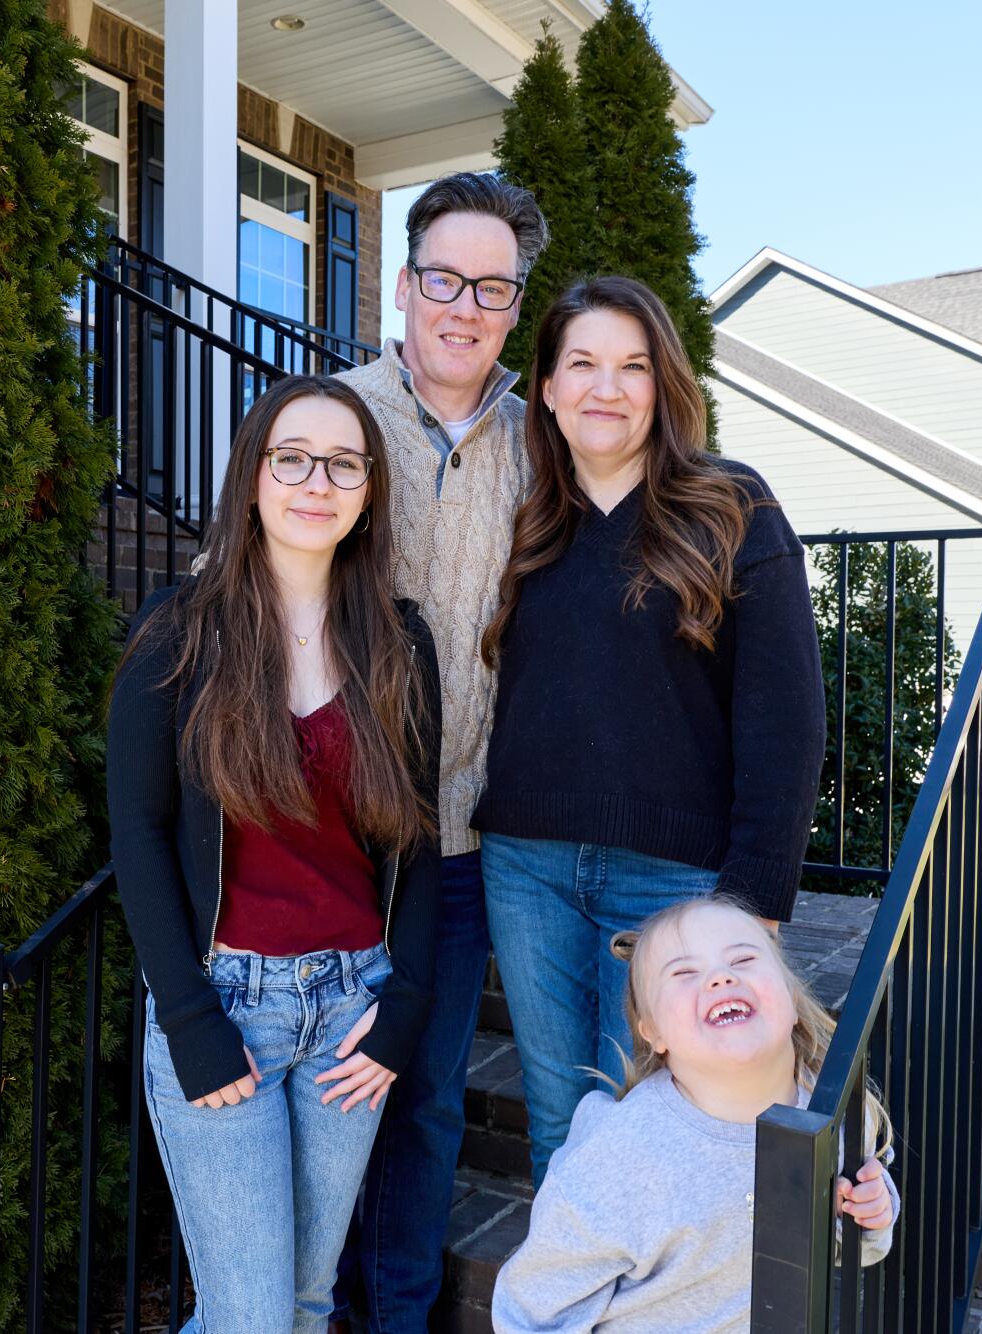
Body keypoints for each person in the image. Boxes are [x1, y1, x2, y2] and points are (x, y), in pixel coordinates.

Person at [107, 374, 443, 1332]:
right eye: (292, 457)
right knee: (249, 1315)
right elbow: (135, 830)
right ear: (253, 476)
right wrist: (189, 1016)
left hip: (350, 1011)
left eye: (344, 463)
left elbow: (416, 836)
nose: (317, 481)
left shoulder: (397, 642)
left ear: (370, 492)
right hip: (226, 1005)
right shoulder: (178, 632)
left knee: (301, 1302)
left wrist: (400, 1013)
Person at [474, 275, 827, 1183]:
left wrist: (754, 901)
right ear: (545, 387)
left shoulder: (731, 507)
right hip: (526, 868)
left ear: (663, 384)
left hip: (676, 882)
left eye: (632, 366)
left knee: (657, 1119)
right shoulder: (523, 517)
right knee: (560, 1117)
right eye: (581, 363)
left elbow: (786, 717)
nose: (606, 387)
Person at [330, 172, 548, 1332]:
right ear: (404, 283)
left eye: (492, 288)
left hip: (457, 840)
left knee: (420, 1100)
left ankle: (396, 1316)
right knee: (308, 1090)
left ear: (515, 306)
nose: (463, 306)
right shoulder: (330, 417)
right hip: (321, 834)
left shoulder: (539, 443)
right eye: (444, 279)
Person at [490, 896, 898, 1332]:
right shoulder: (619, 1156)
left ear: (792, 999)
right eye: (685, 972)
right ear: (653, 1033)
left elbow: (840, 1249)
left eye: (742, 958)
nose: (721, 978)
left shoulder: (832, 1115)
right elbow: (531, 1310)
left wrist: (869, 1216)